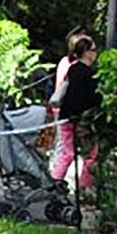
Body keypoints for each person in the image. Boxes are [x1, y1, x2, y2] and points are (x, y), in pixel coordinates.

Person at [44, 31, 103, 200]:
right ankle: (84, 188)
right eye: (93, 49)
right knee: (91, 155)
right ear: (87, 52)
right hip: (79, 120)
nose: (95, 53)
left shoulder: (73, 69)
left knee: (67, 153)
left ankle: (55, 182)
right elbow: (88, 98)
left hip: (65, 118)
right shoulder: (87, 73)